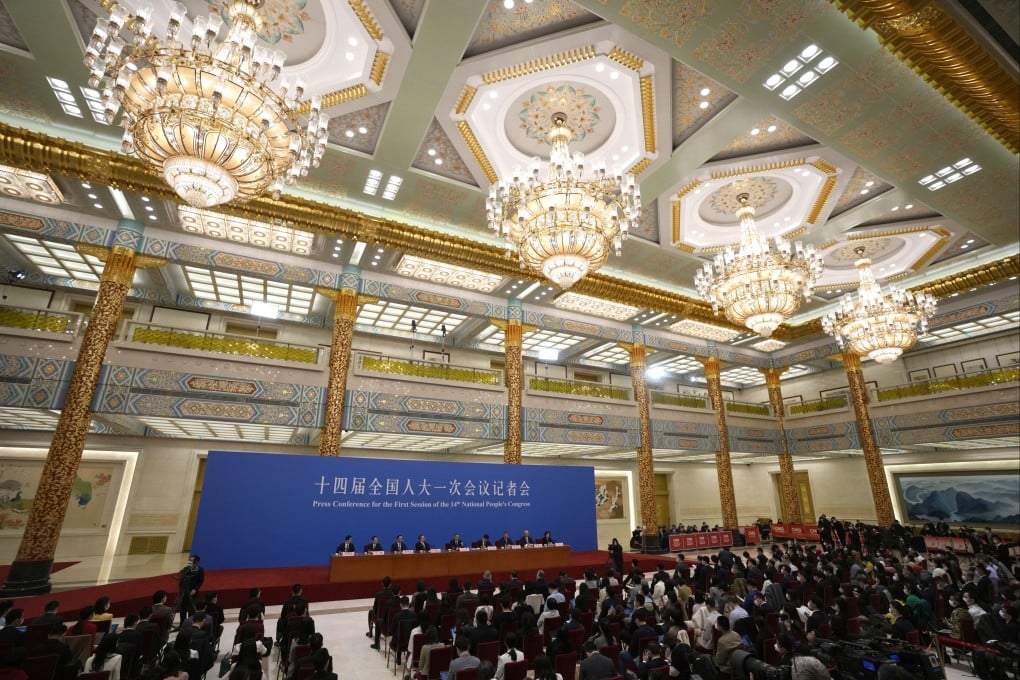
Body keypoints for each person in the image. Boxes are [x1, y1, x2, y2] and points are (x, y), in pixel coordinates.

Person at [177, 554, 205, 627]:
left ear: (196, 561)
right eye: (190, 560)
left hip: (192, 593)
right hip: (183, 592)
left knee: (191, 610)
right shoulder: (186, 569)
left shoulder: (200, 570)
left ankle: (189, 625)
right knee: (182, 609)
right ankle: (182, 625)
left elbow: (200, 581)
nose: (190, 561)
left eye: (192, 560)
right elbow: (181, 579)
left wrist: (195, 589)